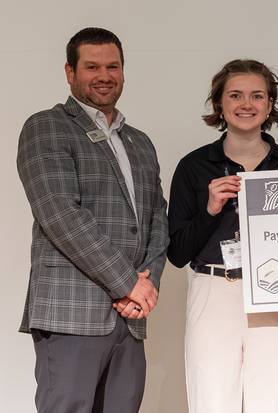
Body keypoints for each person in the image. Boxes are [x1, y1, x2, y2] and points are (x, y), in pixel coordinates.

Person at [16, 27, 168, 412]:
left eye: (113, 66)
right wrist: (129, 283)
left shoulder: (140, 141)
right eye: (92, 66)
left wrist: (145, 288)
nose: (104, 76)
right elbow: (62, 215)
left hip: (130, 318)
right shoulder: (46, 127)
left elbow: (156, 219)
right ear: (70, 72)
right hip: (71, 312)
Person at [167, 59, 278, 413]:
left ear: (270, 104)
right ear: (220, 104)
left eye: (257, 95)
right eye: (236, 95)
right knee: (212, 399)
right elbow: (178, 252)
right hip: (213, 288)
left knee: (274, 400)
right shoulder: (194, 167)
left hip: (275, 288)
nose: (247, 104)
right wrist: (211, 208)